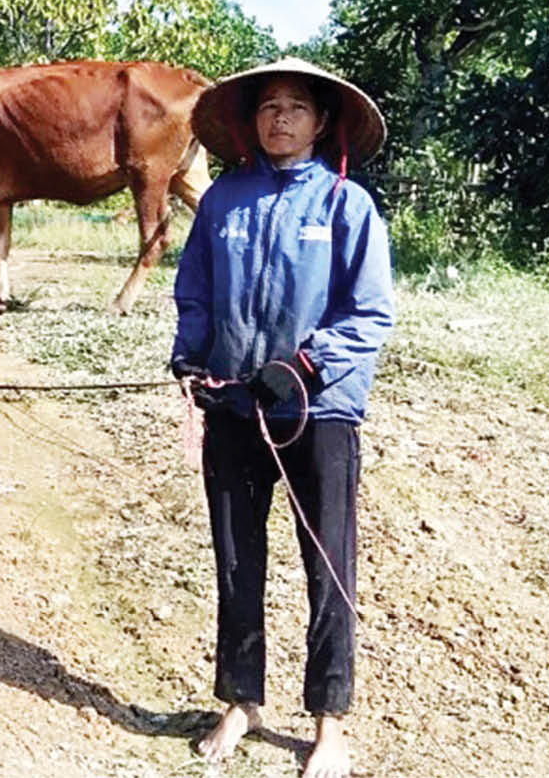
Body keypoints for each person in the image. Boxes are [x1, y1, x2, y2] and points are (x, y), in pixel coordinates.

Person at [170, 57, 396, 778]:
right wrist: (190, 360)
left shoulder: (346, 205)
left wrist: (304, 365)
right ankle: (241, 700)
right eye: (269, 105)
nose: (281, 118)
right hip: (236, 405)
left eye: (296, 106)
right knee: (237, 561)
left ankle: (329, 721)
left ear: (323, 121)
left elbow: (369, 315)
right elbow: (195, 292)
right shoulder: (222, 202)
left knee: (326, 566)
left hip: (320, 412)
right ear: (252, 119)